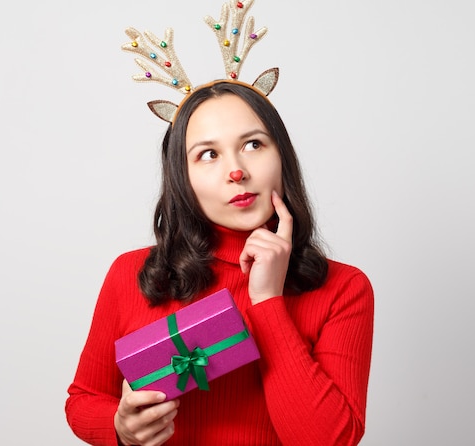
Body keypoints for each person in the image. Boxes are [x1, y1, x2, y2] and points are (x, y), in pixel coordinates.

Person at [65, 75, 375, 445]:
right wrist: (119, 428)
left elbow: (329, 440)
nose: (236, 172)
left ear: (282, 157)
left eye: (253, 144)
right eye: (208, 154)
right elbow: (84, 399)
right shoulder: (130, 274)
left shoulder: (344, 288)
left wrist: (268, 303)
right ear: (183, 176)